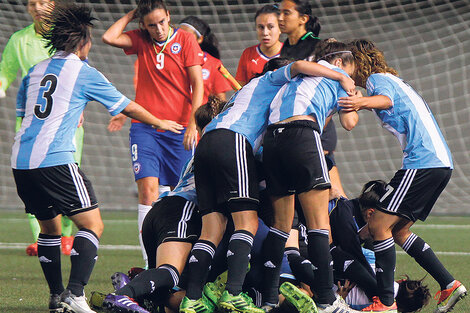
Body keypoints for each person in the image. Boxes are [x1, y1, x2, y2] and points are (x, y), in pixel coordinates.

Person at [11, 3, 182, 312]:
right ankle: (76, 295)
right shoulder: (83, 71)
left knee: (49, 229)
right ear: (83, 42)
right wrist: (159, 122)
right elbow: (126, 105)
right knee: (92, 224)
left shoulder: (35, 71)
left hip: (21, 162)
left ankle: (56, 297)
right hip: (56, 159)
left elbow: (26, 115)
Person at [179, 57, 355, 313]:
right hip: (234, 139)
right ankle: (233, 294)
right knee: (247, 223)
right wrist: (340, 76)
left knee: (212, 229)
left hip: (205, 144)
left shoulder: (247, 95)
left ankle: (191, 299)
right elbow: (297, 67)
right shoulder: (272, 81)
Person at [338, 39, 467, 313]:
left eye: (348, 62)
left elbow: (386, 101)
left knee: (379, 226)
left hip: (422, 163)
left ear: (360, 62)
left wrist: (359, 102)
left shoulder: (376, 80)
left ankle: (384, 302)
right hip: (439, 164)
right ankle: (448, 283)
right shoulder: (392, 79)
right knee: (398, 230)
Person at [102, 0, 204, 267]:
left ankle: (173, 258)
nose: (158, 29)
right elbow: (108, 37)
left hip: (180, 130)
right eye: (151, 24)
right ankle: (150, 262)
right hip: (145, 129)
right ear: (143, 25)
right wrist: (133, 13)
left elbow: (198, 85)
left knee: (178, 194)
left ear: (169, 16)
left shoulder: (186, 41)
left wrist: (193, 123)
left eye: (162, 21)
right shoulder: (140, 40)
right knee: (148, 192)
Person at [260, 40, 358, 313]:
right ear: (339, 63)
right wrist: (353, 92)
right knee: (318, 223)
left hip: (272, 139)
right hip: (302, 133)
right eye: (351, 70)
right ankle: (327, 300)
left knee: (280, 226)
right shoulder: (336, 75)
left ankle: (268, 299)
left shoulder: (301, 74)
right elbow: (350, 124)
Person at [0, 0, 79, 257]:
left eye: (43, 2)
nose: (38, 7)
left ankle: (67, 235)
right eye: (33, 3)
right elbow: (5, 73)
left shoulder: (66, 36)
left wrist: (80, 106)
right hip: (30, 122)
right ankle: (43, 237)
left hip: (66, 120)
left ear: (54, 6)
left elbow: (79, 73)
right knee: (32, 177)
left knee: (65, 175)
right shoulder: (19, 40)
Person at [179, 16, 232, 102]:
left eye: (186, 35)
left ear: (200, 39)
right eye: (179, 35)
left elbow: (220, 100)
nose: (181, 39)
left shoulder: (214, 64)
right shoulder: (169, 58)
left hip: (200, 114)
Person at [235, 4, 283, 86]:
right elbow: (240, 89)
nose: (265, 33)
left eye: (270, 27)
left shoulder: (291, 53)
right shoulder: (248, 54)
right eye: (261, 27)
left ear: (280, 28)